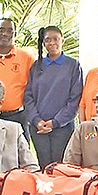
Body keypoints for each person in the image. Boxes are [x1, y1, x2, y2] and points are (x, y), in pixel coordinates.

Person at [24, 26, 83, 169]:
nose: (52, 43)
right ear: (43, 43)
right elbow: (28, 96)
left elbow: (75, 99)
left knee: (60, 169)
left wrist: (55, 122)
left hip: (62, 128)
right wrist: (37, 121)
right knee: (44, 168)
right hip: (38, 129)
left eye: (55, 39)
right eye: (48, 40)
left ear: (63, 40)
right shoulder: (36, 66)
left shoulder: (73, 65)